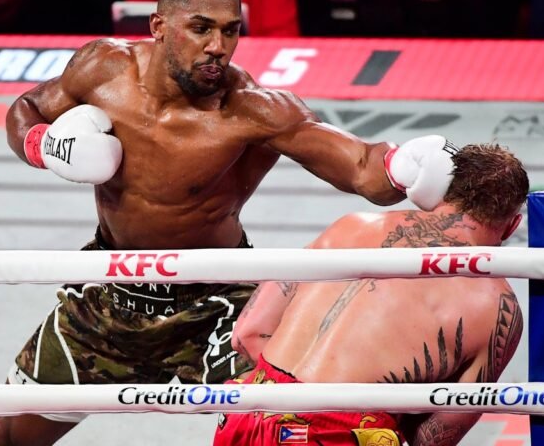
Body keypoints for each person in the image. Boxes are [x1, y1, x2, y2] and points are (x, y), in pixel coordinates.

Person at [0, 0, 456, 446]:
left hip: (218, 306)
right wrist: (41, 144)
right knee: (7, 438)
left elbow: (358, 165)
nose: (217, 47)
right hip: (107, 296)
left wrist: (402, 166)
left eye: (230, 31)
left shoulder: (252, 110)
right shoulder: (102, 69)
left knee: (294, 431)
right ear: (160, 26)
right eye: (201, 28)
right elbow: (28, 107)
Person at [216, 143, 528, 446]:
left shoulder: (349, 226)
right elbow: (435, 436)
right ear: (512, 225)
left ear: (443, 193)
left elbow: (247, 334)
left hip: (250, 408)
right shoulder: (496, 305)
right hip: (344, 428)